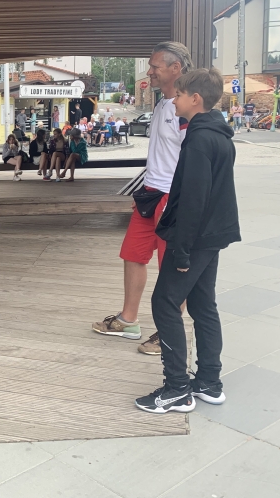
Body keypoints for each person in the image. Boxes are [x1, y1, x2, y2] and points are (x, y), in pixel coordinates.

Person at [135, 67, 240, 413]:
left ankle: (177, 388)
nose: (174, 100)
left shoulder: (198, 140)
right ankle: (209, 381)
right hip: (213, 234)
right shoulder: (219, 135)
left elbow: (194, 200)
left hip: (196, 237)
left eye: (178, 95)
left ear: (195, 99)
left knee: (164, 303)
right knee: (202, 305)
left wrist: (180, 250)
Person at [92, 41, 192, 355]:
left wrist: (180, 202)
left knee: (171, 266)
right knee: (133, 255)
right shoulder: (162, 104)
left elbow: (194, 162)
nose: (149, 72)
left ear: (175, 68)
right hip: (150, 194)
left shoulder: (188, 108)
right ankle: (128, 320)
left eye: (154, 66)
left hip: (173, 198)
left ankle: (169, 332)